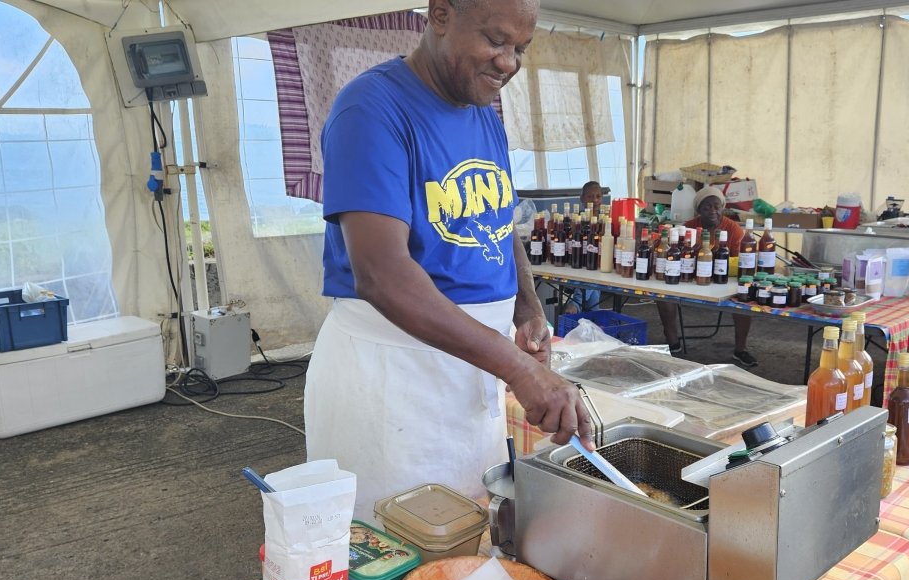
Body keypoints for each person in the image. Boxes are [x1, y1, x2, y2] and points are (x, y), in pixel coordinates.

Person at [304, 0, 595, 522]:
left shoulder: (483, 113)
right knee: (392, 552)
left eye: (520, 49)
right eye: (495, 40)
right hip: (393, 382)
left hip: (468, 379)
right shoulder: (370, 110)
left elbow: (497, 224)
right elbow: (382, 275)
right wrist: (520, 371)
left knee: (466, 539)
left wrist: (526, 309)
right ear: (440, 16)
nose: (508, 63)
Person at [655, 186, 758, 367]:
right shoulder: (689, 227)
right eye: (707, 207)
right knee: (663, 295)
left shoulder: (733, 229)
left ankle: (741, 349)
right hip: (692, 279)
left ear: (722, 208)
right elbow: (676, 253)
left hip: (723, 280)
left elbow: (739, 260)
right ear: (699, 211)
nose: (712, 211)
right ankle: (673, 342)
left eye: (716, 207)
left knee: (743, 300)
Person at [563, 181, 604, 314]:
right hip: (577, 265)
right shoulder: (577, 221)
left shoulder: (605, 221)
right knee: (592, 279)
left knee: (594, 278)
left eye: (598, 196)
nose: (595, 200)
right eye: (590, 197)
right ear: (582, 198)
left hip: (600, 265)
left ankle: (576, 304)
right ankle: (592, 318)